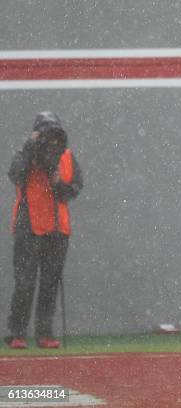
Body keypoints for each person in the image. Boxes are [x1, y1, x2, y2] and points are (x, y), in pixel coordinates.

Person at [5, 111, 83, 349]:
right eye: (45, 131)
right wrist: (31, 147)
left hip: (58, 229)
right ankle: (17, 333)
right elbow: (15, 175)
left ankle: (44, 333)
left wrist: (59, 182)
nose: (50, 139)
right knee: (25, 283)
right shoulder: (26, 154)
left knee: (50, 282)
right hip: (29, 226)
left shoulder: (67, 156)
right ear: (36, 132)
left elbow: (75, 188)